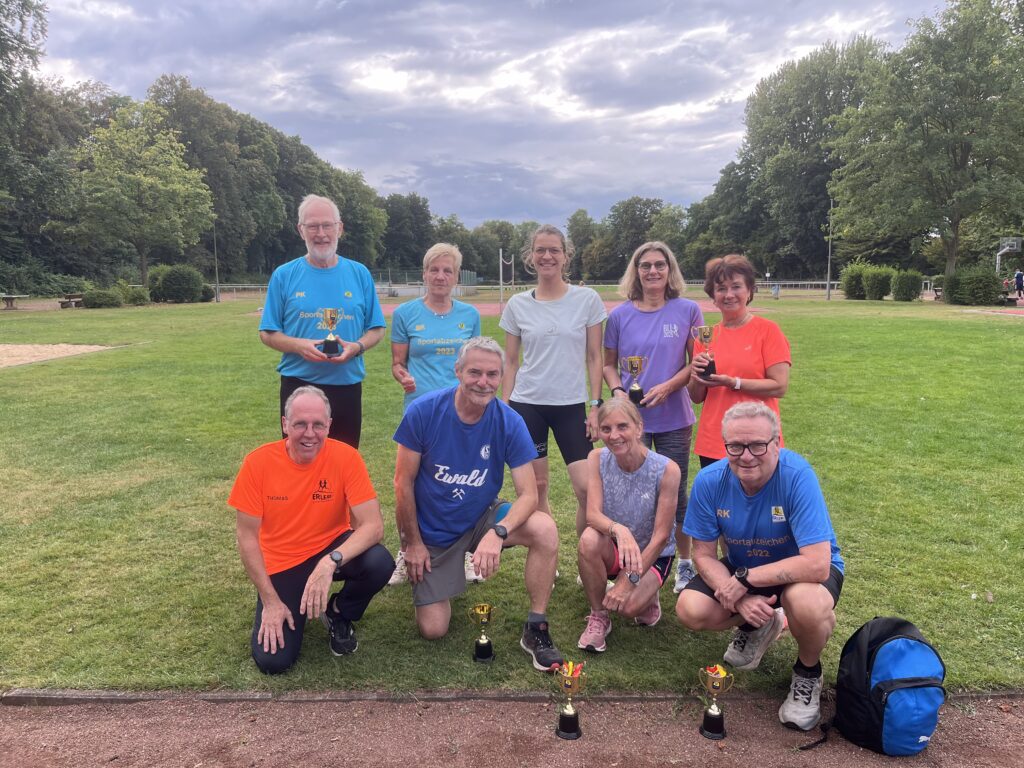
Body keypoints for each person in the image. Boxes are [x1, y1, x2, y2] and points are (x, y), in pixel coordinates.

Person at [392, 336, 565, 672]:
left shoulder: (509, 420)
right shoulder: (423, 411)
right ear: (458, 371)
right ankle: (440, 572)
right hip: (434, 532)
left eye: (492, 374)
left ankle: (536, 626)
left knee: (544, 528)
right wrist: (412, 543)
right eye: (474, 372)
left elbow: (529, 494)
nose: (483, 382)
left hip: (482, 516)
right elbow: (403, 483)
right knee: (433, 629)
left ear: (501, 377)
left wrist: (498, 532)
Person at [675, 402, 845, 731]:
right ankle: (760, 624)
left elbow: (817, 564)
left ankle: (807, 673)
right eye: (735, 446)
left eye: (757, 445)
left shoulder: (797, 476)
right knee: (690, 608)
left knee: (806, 604)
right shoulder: (710, 481)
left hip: (802, 573)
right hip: (746, 569)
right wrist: (740, 599)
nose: (746, 456)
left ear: (776, 443)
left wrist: (744, 580)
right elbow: (704, 555)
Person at [229, 386, 395, 674]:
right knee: (273, 662)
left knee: (379, 562)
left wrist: (330, 561)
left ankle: (339, 612)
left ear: (329, 425)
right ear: (285, 424)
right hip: (283, 562)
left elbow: (373, 526)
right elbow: (247, 537)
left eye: (318, 424)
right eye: (300, 424)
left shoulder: (346, 457)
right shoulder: (258, 463)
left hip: (331, 546)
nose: (310, 434)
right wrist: (270, 600)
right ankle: (290, 602)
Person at [604, 241, 703, 594]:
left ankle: (685, 563)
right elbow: (608, 365)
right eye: (645, 265)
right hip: (632, 421)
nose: (652, 271)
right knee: (632, 493)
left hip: (674, 416)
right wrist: (618, 391)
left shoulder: (688, 310)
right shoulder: (619, 316)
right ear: (636, 271)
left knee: (677, 492)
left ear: (669, 269)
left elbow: (697, 361)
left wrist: (670, 386)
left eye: (659, 264)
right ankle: (626, 561)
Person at [500, 224, 607, 538]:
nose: (547, 256)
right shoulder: (518, 304)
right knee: (537, 486)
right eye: (540, 250)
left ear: (565, 255)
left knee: (586, 489)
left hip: (571, 405)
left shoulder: (587, 299)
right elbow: (510, 361)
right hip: (527, 404)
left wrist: (595, 406)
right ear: (531, 256)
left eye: (554, 250)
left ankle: (588, 554)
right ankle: (549, 551)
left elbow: (594, 356)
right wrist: (504, 408)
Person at [259, 194, 386, 448]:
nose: (321, 234)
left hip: (346, 385)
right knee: (299, 460)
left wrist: (357, 347)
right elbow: (268, 332)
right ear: (300, 230)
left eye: (327, 225)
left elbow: (377, 328)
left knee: (344, 459)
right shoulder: (284, 275)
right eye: (312, 226)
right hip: (298, 385)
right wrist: (299, 346)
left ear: (340, 228)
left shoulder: (359, 273)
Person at [389, 242, 481, 585]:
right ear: (424, 274)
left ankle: (466, 553)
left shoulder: (469, 315)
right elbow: (397, 363)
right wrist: (403, 376)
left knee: (463, 482)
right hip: (419, 412)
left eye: (447, 271)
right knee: (410, 483)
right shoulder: (405, 314)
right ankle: (406, 549)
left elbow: (475, 363)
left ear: (456, 277)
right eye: (434, 270)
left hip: (462, 412)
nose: (440, 276)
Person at [576, 400, 680, 652]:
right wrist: (619, 530)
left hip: (654, 554)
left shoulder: (667, 469)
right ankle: (599, 616)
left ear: (639, 428)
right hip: (617, 547)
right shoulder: (596, 457)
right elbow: (592, 515)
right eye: (606, 428)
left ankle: (648, 597)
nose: (614, 436)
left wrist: (630, 581)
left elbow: (661, 537)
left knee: (628, 606)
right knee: (589, 539)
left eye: (622, 426)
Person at [688, 254, 791, 468]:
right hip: (714, 441)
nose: (729, 295)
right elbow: (696, 397)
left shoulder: (768, 331)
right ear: (713, 296)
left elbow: (779, 386)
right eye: (721, 288)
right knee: (718, 492)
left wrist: (734, 383)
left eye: (736, 287)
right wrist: (696, 376)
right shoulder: (705, 338)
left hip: (758, 442)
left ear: (749, 291)